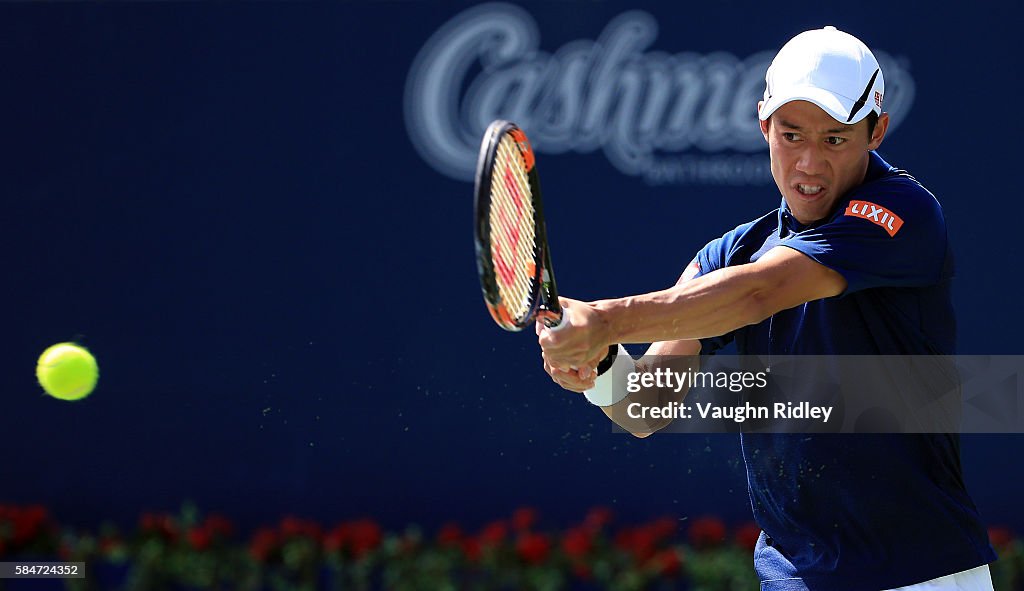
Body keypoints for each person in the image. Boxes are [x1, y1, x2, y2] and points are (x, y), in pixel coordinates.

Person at [537, 26, 996, 591]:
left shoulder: (906, 213)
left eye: (835, 139)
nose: (808, 163)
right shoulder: (730, 254)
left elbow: (760, 292)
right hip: (793, 579)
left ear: (876, 132)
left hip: (922, 576)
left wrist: (603, 319)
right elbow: (643, 407)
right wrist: (600, 364)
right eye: (791, 134)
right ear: (764, 127)